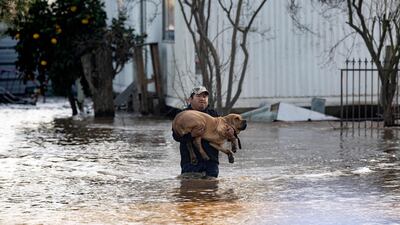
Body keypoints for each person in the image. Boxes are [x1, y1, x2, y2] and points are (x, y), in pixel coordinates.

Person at [172, 86, 222, 178]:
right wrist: (191, 135)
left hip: (211, 164)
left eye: (205, 96)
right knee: (191, 190)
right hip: (191, 163)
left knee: (211, 191)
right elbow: (176, 136)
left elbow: (223, 132)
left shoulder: (213, 114)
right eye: (198, 96)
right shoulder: (183, 115)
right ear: (190, 99)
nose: (202, 99)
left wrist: (231, 132)